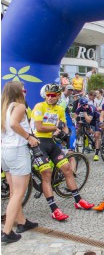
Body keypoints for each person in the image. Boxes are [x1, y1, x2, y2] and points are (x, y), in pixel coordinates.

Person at [31, 83, 94, 221]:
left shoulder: (60, 109)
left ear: (58, 96)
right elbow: (39, 127)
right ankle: (54, 209)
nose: (50, 97)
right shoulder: (39, 107)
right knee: (46, 174)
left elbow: (64, 127)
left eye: (53, 95)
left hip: (52, 143)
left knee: (67, 169)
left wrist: (64, 132)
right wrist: (55, 128)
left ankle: (78, 200)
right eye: (48, 95)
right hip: (40, 143)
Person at [1, 81, 39, 243]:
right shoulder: (19, 107)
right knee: (18, 193)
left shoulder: (4, 108)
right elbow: (14, 124)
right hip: (17, 151)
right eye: (23, 89)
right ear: (18, 91)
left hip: (5, 152)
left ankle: (22, 221)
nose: (25, 92)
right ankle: (7, 231)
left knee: (13, 191)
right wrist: (29, 137)